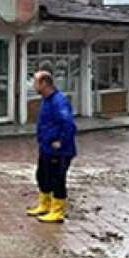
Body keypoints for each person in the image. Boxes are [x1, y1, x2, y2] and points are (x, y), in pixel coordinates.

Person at [26, 70, 77, 224]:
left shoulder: (58, 101)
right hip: (46, 148)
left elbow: (68, 124)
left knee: (57, 179)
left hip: (59, 151)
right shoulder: (47, 100)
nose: (33, 86)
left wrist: (61, 141)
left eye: (35, 82)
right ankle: (45, 204)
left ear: (44, 83)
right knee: (42, 175)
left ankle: (57, 211)